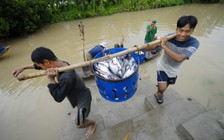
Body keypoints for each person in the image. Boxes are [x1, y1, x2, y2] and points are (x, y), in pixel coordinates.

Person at [12, 47, 96, 138]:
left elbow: (58, 97)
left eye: (41, 65)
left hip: (83, 99)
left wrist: (51, 79)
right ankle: (81, 115)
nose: (41, 68)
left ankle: (93, 124)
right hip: (75, 93)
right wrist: (24, 67)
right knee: (78, 111)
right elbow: (39, 65)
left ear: (46, 62)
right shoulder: (60, 62)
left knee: (79, 124)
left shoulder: (67, 78)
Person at [153, 15, 199, 104]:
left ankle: (161, 85)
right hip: (163, 66)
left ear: (192, 30)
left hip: (175, 69)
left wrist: (164, 46)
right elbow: (151, 47)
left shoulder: (194, 43)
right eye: (181, 30)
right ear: (176, 29)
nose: (183, 34)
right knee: (162, 88)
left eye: (187, 31)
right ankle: (159, 93)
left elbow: (179, 59)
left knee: (168, 83)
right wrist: (153, 42)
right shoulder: (168, 37)